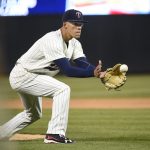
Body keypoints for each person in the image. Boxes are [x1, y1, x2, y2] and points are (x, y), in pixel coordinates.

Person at [0, 9, 105, 144]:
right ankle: (54, 134)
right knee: (62, 89)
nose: (79, 27)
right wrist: (92, 73)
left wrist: (102, 73)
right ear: (65, 24)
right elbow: (67, 70)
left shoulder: (74, 43)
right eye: (75, 24)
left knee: (33, 114)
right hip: (23, 74)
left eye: (81, 24)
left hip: (34, 76)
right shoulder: (52, 40)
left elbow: (83, 63)